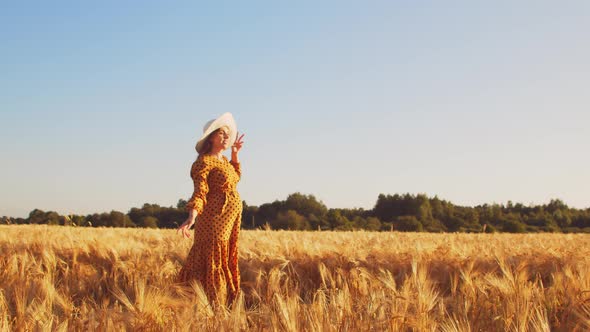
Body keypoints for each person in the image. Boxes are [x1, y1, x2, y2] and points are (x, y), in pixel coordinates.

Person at [176, 112, 245, 306]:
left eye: (227, 134)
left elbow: (235, 178)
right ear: (211, 138)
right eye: (221, 134)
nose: (226, 137)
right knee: (212, 256)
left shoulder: (224, 162)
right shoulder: (203, 162)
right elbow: (200, 191)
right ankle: (210, 301)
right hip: (214, 218)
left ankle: (222, 302)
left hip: (230, 219)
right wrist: (192, 216)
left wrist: (235, 155)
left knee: (223, 256)